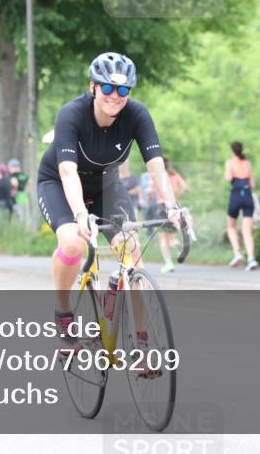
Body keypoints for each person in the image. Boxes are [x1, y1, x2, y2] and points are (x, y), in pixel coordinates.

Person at [37, 52, 181, 352]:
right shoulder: (72, 114)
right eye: (107, 88)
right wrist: (79, 214)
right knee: (73, 244)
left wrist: (171, 206)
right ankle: (63, 311)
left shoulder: (137, 115)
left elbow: (155, 165)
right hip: (60, 183)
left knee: (132, 249)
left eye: (124, 90)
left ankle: (141, 343)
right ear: (93, 87)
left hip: (106, 186)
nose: (115, 96)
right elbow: (67, 170)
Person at [224, 141, 258, 271]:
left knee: (231, 227)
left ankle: (237, 253)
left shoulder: (230, 163)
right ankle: (251, 259)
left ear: (232, 150)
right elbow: (253, 184)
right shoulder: (248, 163)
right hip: (248, 196)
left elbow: (228, 178)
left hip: (236, 196)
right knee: (247, 231)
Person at [153, 156, 188, 274]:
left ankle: (168, 264)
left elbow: (149, 190)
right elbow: (185, 187)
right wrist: (177, 195)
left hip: (161, 206)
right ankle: (181, 247)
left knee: (163, 239)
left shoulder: (157, 175)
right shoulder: (174, 175)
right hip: (173, 206)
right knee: (172, 236)